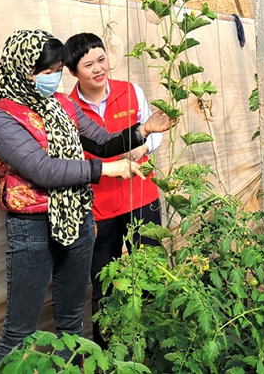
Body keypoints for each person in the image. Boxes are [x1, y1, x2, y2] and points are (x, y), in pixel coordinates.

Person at [0, 29, 173, 372]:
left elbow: (101, 141)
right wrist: (107, 170)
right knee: (19, 331)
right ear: (20, 71)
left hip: (78, 220)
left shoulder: (63, 103)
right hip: (33, 229)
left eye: (57, 70)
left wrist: (143, 131)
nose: (53, 78)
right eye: (45, 72)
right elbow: (43, 170)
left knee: (72, 322)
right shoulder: (1, 116)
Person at [64, 32, 164, 349]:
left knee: (152, 272)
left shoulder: (130, 91)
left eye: (102, 59)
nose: (98, 69)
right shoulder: (68, 107)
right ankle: (106, 357)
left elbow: (153, 130)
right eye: (88, 64)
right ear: (73, 72)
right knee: (104, 283)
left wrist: (142, 147)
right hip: (100, 205)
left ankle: (153, 345)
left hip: (141, 196)